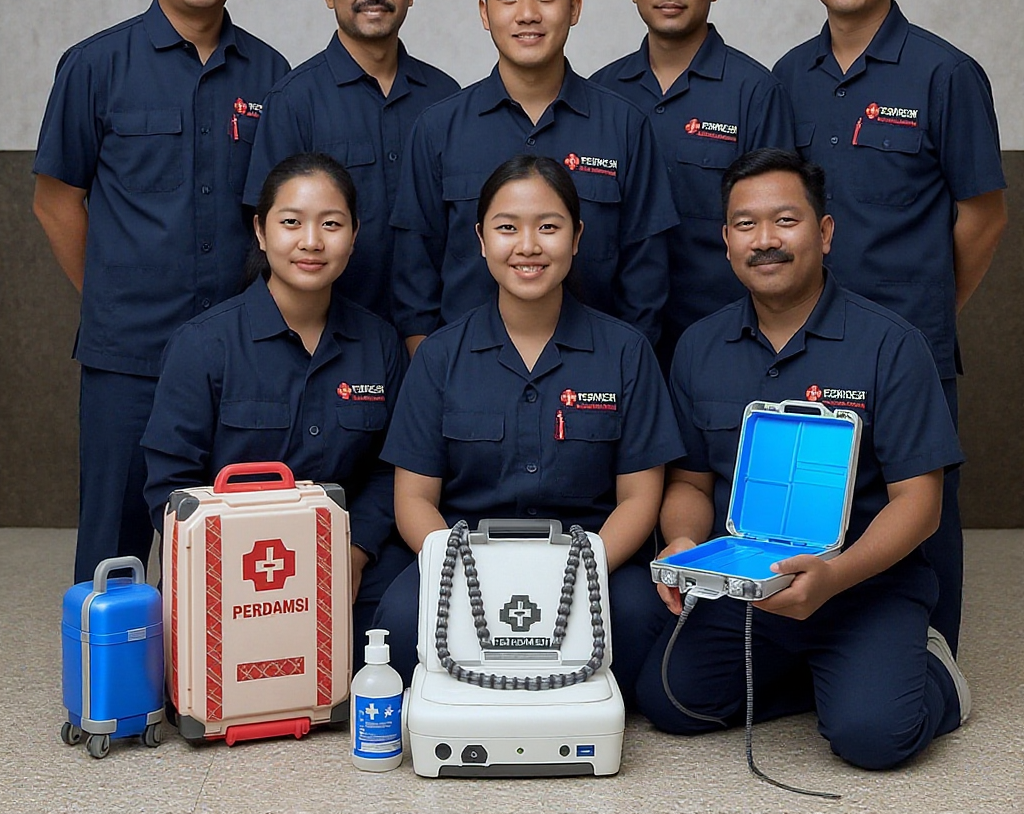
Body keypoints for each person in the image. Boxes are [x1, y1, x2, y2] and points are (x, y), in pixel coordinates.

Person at [636, 148, 969, 770]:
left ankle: (930, 673)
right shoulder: (699, 347)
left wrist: (835, 577)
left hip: (865, 585)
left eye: (785, 221)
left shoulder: (891, 345)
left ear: (825, 233)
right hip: (750, 586)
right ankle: (828, 682)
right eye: (745, 224)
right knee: (671, 702)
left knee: (874, 739)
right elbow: (688, 479)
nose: (765, 241)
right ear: (726, 241)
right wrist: (681, 540)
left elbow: (921, 505)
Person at [32, 0, 290, 584]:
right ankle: (105, 692)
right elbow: (55, 200)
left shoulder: (271, 74)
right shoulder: (95, 66)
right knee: (114, 541)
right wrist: (108, 296)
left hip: (240, 352)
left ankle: (218, 691)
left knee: (231, 538)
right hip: (129, 354)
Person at [772, 0, 1008, 655]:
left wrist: (931, 308)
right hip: (808, 339)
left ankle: (931, 657)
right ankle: (819, 650)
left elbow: (983, 214)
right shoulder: (788, 77)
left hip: (910, 339)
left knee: (920, 501)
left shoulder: (946, 74)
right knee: (811, 500)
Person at [372, 155, 682, 701]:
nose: (528, 246)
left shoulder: (625, 351)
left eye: (549, 226)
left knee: (642, 628)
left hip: (589, 555)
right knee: (398, 628)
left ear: (577, 236)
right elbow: (414, 499)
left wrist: (579, 573)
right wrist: (467, 575)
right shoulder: (441, 356)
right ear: (481, 238)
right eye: (507, 228)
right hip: (464, 558)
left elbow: (639, 497)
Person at [143, 153, 409, 653]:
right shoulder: (204, 344)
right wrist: (229, 568)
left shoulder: (379, 343)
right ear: (262, 232)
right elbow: (171, 485)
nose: (311, 241)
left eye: (331, 224)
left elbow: (389, 469)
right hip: (225, 565)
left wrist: (353, 553)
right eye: (291, 223)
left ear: (353, 236)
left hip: (340, 555)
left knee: (407, 622)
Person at [391, 0, 677, 355]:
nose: (528, 14)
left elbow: (646, 279)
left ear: (574, 7)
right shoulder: (438, 128)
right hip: (465, 380)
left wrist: (618, 377)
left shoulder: (624, 126)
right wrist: (437, 378)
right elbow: (414, 278)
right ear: (485, 13)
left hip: (595, 382)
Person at [591, 0, 796, 362]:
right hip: (612, 340)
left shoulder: (755, 92)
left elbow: (777, 224)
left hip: (727, 338)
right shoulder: (599, 93)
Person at [244, 0, 459, 322]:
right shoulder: (293, 100)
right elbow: (268, 238)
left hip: (435, 336)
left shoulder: (447, 98)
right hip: (329, 340)